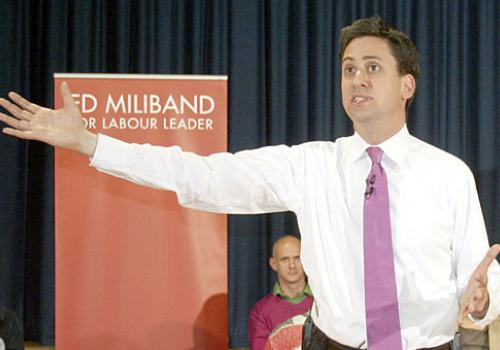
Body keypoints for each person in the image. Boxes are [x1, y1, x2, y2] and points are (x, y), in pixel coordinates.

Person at [0, 16, 499, 350]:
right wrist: (94, 144)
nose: (357, 80)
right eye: (348, 70)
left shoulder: (448, 174)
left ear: (406, 84)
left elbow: (482, 278)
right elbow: (203, 174)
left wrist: (482, 302)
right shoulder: (311, 166)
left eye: (373, 68)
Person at [248, 235, 313, 350]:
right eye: (285, 259)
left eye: (297, 258)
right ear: (273, 264)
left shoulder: (324, 303)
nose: (292, 266)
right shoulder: (261, 311)